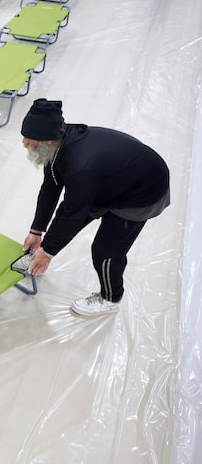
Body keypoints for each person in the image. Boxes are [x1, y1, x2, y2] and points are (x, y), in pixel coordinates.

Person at [20, 99, 171, 317]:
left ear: (47, 141)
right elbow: (50, 187)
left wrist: (49, 251)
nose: (24, 142)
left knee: (106, 249)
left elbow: (72, 213)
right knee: (68, 217)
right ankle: (40, 255)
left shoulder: (80, 164)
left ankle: (111, 297)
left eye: (29, 138)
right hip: (107, 181)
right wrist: (37, 232)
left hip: (141, 191)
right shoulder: (57, 145)